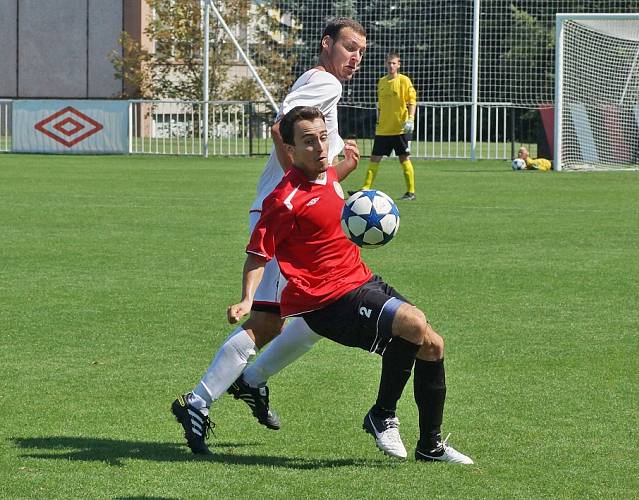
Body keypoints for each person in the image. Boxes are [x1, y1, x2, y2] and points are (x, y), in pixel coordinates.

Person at [229, 106, 473, 464]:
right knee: (413, 324)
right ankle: (382, 414)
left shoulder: (327, 174)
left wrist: (349, 166)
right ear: (290, 150)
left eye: (322, 138)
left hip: (359, 279)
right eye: (308, 141)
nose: (319, 147)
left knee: (433, 345)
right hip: (325, 300)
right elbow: (258, 254)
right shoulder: (282, 200)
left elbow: (327, 184)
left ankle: (430, 447)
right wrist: (248, 299)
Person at [171, 18, 367, 455]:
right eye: (349, 47)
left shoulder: (319, 83)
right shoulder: (326, 85)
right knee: (266, 323)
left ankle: (251, 380)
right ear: (327, 45)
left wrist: (335, 171)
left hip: (303, 215)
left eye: (360, 52)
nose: (355, 57)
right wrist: (298, 184)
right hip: (288, 218)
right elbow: (283, 128)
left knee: (319, 313)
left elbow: (302, 143)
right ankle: (198, 402)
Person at [357, 52, 418, 201]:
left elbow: (412, 101)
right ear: (386, 64)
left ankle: (410, 192)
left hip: (400, 129)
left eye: (394, 63)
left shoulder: (404, 81)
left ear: (399, 65)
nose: (391, 66)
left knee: (404, 158)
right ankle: (365, 188)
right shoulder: (382, 82)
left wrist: (410, 119)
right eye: (389, 63)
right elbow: (381, 106)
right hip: (383, 129)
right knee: (374, 158)